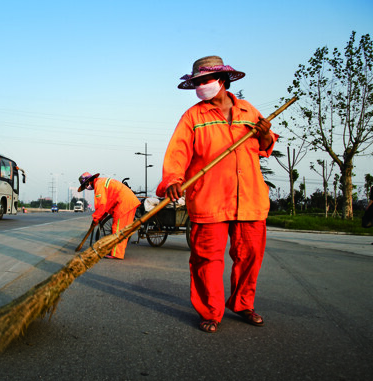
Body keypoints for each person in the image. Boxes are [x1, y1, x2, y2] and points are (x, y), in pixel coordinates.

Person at [156, 56, 278, 333]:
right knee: (206, 260)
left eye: (204, 81)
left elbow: (266, 145)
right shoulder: (193, 117)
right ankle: (210, 310)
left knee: (250, 256)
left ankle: (243, 304)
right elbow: (177, 153)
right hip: (208, 199)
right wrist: (174, 180)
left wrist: (266, 134)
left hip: (250, 199)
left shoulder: (249, 111)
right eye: (196, 82)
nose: (200, 86)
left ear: (222, 81)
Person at [78, 172, 140, 259]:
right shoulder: (101, 182)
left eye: (85, 185)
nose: (86, 188)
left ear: (89, 181)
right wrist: (99, 218)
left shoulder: (99, 185)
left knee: (118, 229)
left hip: (124, 203)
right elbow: (106, 206)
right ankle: (118, 252)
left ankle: (116, 254)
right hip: (128, 202)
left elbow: (102, 205)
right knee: (122, 230)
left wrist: (96, 218)